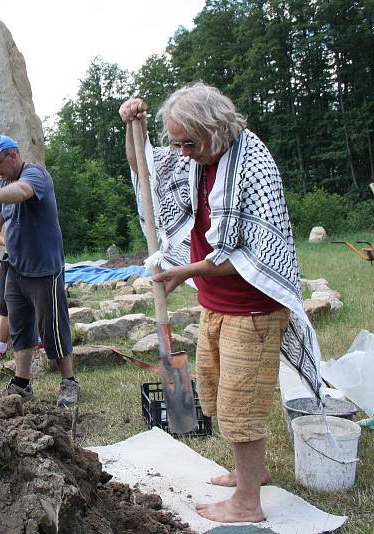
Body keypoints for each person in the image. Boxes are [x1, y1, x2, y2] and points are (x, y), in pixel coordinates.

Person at [119, 83, 321, 523]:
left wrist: (185, 272)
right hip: (216, 304)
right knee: (212, 391)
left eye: (187, 143)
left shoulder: (253, 165)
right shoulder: (198, 158)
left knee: (240, 404)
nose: (182, 152)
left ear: (214, 130)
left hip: (253, 310)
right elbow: (146, 173)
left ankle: (248, 504)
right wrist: (134, 126)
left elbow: (255, 257)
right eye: (176, 142)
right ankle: (253, 471)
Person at [0, 134, 79, 407]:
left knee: (53, 329)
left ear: (12, 155)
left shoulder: (35, 175)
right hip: (16, 268)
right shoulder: (4, 183)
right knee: (19, 329)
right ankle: (22, 384)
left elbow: (23, 193)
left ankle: (69, 382)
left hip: (45, 270)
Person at [0, 229, 44, 360]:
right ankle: (0, 347)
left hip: (32, 256)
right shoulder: (3, 208)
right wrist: (7, 242)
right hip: (10, 258)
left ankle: (40, 340)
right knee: (5, 305)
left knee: (36, 302)